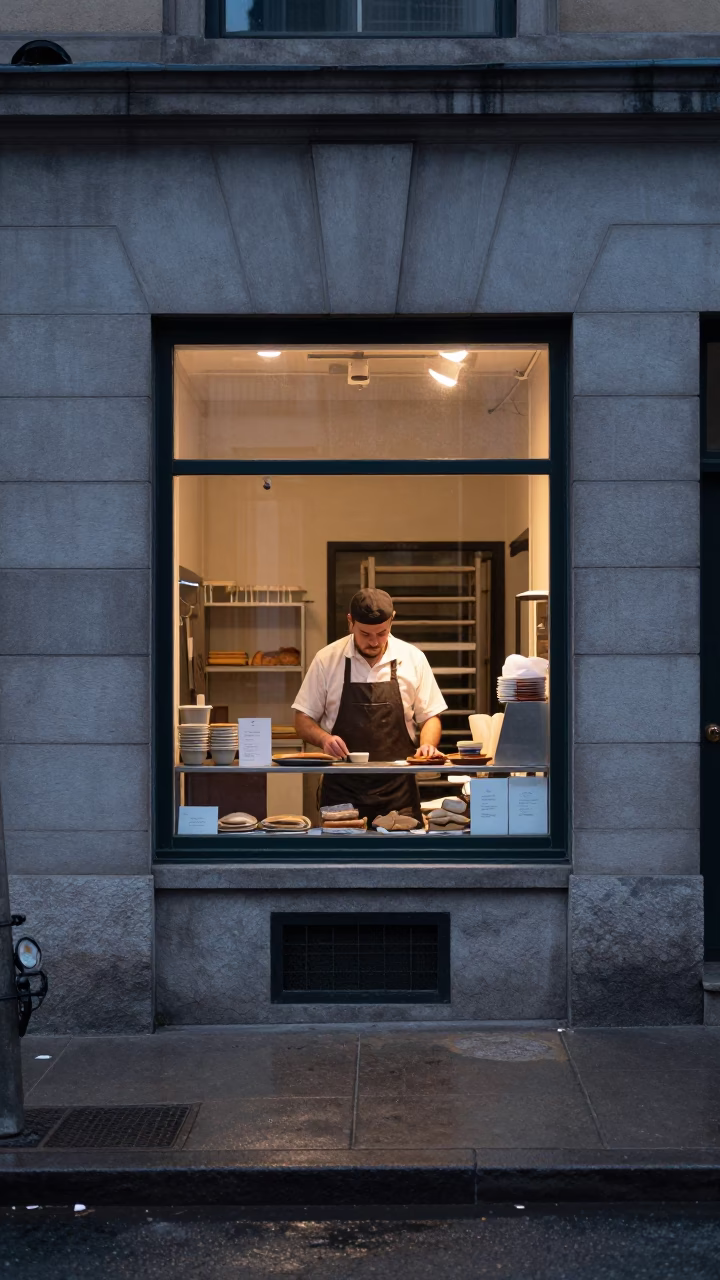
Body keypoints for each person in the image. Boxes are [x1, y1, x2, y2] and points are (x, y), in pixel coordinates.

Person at [292, 588, 447, 824]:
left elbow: (430, 717)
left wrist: (427, 745)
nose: (374, 641)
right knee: (342, 859)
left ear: (392, 620)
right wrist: (324, 739)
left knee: (400, 860)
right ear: (350, 622)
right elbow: (302, 719)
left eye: (382, 633)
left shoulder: (413, 658)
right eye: (365, 634)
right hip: (342, 790)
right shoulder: (327, 659)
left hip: (399, 792)